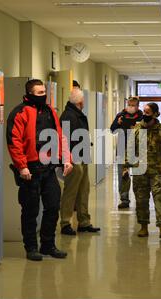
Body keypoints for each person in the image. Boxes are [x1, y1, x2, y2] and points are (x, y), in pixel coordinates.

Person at [7, 79, 74, 262]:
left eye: (44, 91)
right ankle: (31, 247)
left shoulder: (50, 111)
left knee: (53, 206)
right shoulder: (20, 113)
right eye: (39, 93)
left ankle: (48, 244)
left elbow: (60, 136)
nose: (43, 95)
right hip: (30, 170)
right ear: (29, 94)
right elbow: (14, 142)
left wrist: (66, 159)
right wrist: (22, 166)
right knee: (30, 210)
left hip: (49, 167)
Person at [130, 103, 161, 239]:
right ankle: (143, 227)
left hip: (157, 170)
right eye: (144, 111)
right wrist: (126, 166)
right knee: (141, 199)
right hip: (140, 170)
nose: (145, 114)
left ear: (155, 114)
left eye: (148, 112)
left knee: (158, 197)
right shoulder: (137, 129)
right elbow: (130, 149)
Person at [59, 88, 101, 235]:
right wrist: (67, 159)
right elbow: (64, 139)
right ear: (80, 102)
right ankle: (65, 223)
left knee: (84, 190)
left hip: (82, 156)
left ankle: (84, 222)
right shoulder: (68, 116)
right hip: (73, 158)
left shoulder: (77, 114)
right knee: (71, 191)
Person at [110, 97, 144, 209]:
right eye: (129, 104)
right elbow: (112, 129)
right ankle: (124, 199)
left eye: (133, 105)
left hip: (137, 150)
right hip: (122, 149)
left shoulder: (142, 117)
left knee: (139, 176)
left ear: (137, 106)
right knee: (123, 175)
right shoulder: (121, 115)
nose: (131, 107)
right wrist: (118, 123)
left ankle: (140, 199)